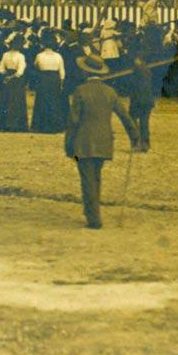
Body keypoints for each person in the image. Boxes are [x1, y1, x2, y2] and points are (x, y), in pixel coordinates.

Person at [63, 53, 140, 229]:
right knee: (95, 177)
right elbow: (125, 116)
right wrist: (134, 136)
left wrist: (68, 144)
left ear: (85, 71)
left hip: (82, 145)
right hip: (104, 144)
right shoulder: (110, 92)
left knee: (87, 179)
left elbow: (73, 121)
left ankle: (93, 218)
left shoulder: (80, 91)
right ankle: (91, 212)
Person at [30, 37, 67, 134]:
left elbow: (36, 66)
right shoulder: (58, 56)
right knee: (54, 101)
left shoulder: (39, 56)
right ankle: (54, 126)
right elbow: (62, 71)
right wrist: (61, 83)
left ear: (43, 45)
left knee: (42, 101)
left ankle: (41, 126)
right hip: (54, 79)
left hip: (43, 79)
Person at [0, 35, 29, 132]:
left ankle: (4, 124)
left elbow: (1, 69)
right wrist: (11, 77)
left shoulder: (5, 54)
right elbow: (20, 71)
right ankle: (16, 125)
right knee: (16, 101)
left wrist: (6, 76)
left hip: (6, 78)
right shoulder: (21, 56)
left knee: (5, 100)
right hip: (17, 81)